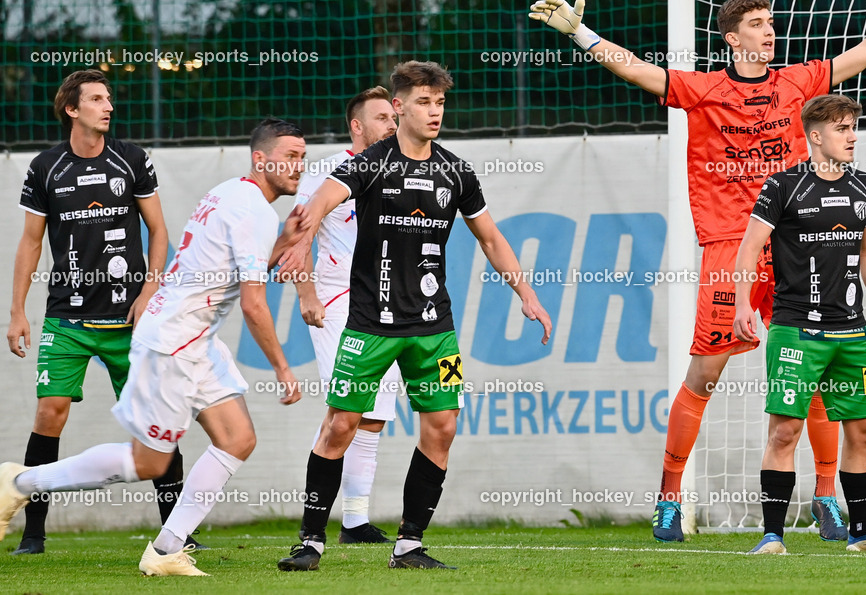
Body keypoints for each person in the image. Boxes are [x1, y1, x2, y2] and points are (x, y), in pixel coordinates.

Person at [528, 0, 866, 542]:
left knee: (815, 374)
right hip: (728, 249)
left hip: (795, 251)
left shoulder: (798, 82)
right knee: (705, 373)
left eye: (771, 23)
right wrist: (581, 34)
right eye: (758, 25)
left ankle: (825, 496)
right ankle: (670, 496)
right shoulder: (704, 89)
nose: (769, 32)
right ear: (732, 39)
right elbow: (638, 70)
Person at [275, 60, 552, 572]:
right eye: (424, 102)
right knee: (341, 424)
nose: (434, 112)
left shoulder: (455, 171)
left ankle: (408, 545)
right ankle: (311, 541)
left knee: (442, 427)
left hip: (433, 328)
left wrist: (526, 293)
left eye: (440, 102)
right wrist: (303, 229)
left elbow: (491, 238)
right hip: (370, 324)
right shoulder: (371, 163)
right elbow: (323, 199)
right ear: (399, 107)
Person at [0, 118, 306, 576]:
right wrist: (282, 367)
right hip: (173, 341)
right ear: (260, 159)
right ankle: (20, 482)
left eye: (303, 156)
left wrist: (283, 241)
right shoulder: (252, 210)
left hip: (193, 338)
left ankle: (165, 550)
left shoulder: (231, 193)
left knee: (237, 438)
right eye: (290, 156)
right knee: (147, 461)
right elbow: (254, 303)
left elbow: (231, 268)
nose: (299, 165)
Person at [4, 69, 197, 555]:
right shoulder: (45, 167)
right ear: (72, 109)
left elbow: (159, 230)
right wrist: (17, 311)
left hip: (129, 321)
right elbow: (30, 243)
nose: (108, 106)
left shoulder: (131, 159)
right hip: (66, 319)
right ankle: (33, 533)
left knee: (156, 421)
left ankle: (176, 533)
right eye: (96, 99)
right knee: (50, 413)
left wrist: (150, 289)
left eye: (108, 98)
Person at [735, 93, 866, 554]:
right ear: (815, 136)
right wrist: (742, 304)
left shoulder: (864, 185)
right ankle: (773, 536)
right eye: (841, 129)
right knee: (785, 431)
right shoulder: (783, 186)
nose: (852, 137)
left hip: (851, 333)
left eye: (853, 128)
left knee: (865, 430)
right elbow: (749, 248)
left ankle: (864, 533)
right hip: (797, 330)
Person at [293, 86, 400, 544]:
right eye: (382, 118)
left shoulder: (400, 168)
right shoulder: (326, 172)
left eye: (393, 117)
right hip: (336, 300)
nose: (392, 125)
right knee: (345, 412)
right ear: (357, 126)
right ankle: (313, 525)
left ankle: (355, 521)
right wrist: (307, 294)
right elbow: (301, 232)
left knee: (373, 415)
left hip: (388, 304)